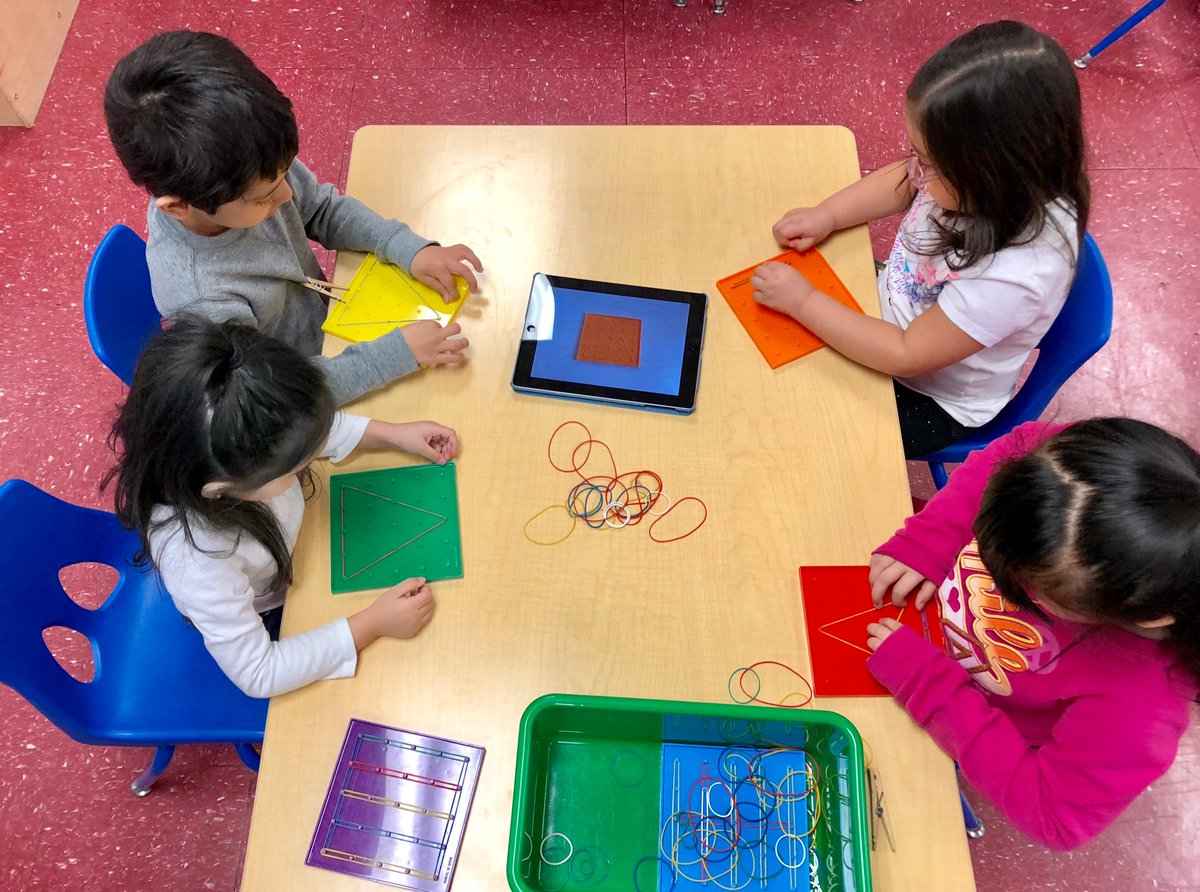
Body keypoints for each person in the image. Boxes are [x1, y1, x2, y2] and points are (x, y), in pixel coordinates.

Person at [756, 21, 1089, 459]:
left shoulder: (1014, 275)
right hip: (889, 317)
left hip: (928, 397)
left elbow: (905, 353)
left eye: (929, 163)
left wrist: (804, 303)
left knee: (784, 419)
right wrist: (828, 215)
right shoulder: (972, 179)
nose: (915, 170)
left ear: (995, 175)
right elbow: (905, 180)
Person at [865, 418, 1199, 849]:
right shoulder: (1076, 471)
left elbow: (1053, 816)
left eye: (1032, 588)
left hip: (943, 709)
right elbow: (1012, 450)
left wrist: (930, 687)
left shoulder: (1140, 709)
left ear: (1146, 616)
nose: (996, 568)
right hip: (919, 647)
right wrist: (930, 541)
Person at [104, 30, 483, 407]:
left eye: (284, 175)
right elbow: (272, 401)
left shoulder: (250, 162)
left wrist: (405, 247)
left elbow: (322, 208)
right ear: (178, 206)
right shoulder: (205, 301)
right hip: (304, 388)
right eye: (265, 198)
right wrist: (392, 356)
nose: (286, 196)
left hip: (327, 333)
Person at [103, 318, 457, 698]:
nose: (305, 462)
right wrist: (372, 623)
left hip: (299, 556)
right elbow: (259, 673)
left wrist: (391, 433)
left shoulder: (240, 430)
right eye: (293, 468)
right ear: (222, 489)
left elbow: (298, 429)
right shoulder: (198, 561)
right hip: (272, 608)